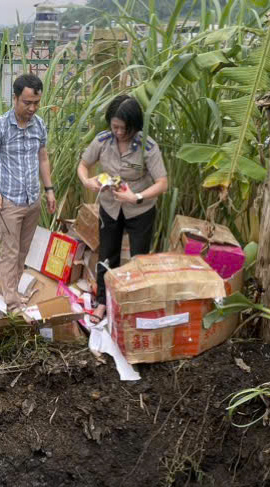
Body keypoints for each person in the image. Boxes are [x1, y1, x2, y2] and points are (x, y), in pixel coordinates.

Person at [77, 95, 168, 321]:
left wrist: (136, 197)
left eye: (123, 129)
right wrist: (87, 181)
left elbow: (162, 183)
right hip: (110, 207)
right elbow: (83, 165)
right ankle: (102, 303)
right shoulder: (102, 140)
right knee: (107, 256)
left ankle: (135, 306)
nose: (118, 132)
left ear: (135, 126)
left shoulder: (147, 146)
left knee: (139, 259)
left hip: (140, 210)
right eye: (114, 126)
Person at [0, 73, 56, 313]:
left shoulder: (39, 125)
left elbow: (43, 158)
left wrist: (49, 190)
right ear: (15, 98)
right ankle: (12, 303)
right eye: (27, 103)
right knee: (10, 252)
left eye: (36, 103)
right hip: (8, 201)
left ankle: (11, 292)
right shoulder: (0, 126)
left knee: (23, 251)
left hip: (32, 200)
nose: (32, 108)